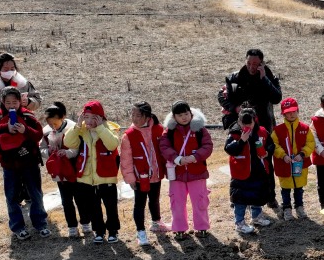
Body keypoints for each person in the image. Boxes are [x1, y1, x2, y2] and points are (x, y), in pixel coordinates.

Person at [219, 48, 283, 207]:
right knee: (239, 160)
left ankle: (269, 196)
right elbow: (221, 96)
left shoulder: (268, 77)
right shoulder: (234, 77)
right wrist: (234, 108)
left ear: (261, 63)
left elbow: (277, 98)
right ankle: (238, 197)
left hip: (263, 126)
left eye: (255, 63)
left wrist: (264, 79)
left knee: (265, 160)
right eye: (249, 63)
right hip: (240, 126)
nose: (251, 66)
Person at [0, 86, 49, 240]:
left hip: (29, 161)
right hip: (9, 164)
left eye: (15, 102)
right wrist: (4, 127)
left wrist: (24, 130)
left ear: (20, 102)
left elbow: (38, 135)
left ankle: (41, 223)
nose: (12, 105)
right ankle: (18, 227)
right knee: (12, 196)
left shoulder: (28, 115)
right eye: (8, 102)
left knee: (35, 194)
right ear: (2, 102)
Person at [63, 101, 121, 244]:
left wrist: (100, 127)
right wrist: (77, 126)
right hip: (87, 177)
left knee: (110, 206)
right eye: (86, 117)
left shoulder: (108, 128)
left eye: (93, 117)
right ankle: (99, 232)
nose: (88, 121)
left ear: (100, 117)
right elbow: (69, 142)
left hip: (106, 176)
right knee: (93, 207)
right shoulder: (81, 130)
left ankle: (113, 231)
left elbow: (112, 144)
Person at [159, 101, 214, 239]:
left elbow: (207, 146)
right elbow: (164, 147)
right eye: (180, 115)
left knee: (200, 201)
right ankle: (179, 228)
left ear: (191, 113)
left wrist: (195, 157)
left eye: (186, 114)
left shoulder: (200, 129)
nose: (184, 117)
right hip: (177, 173)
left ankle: (202, 227)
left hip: (197, 172)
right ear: (174, 117)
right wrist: (176, 159)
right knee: (177, 202)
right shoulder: (169, 132)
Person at [120, 101, 169, 246]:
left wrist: (167, 168)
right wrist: (130, 178)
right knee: (139, 204)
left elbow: (165, 150)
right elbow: (125, 159)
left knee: (154, 199)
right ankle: (140, 232)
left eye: (138, 115)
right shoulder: (129, 135)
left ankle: (156, 222)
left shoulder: (159, 129)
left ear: (147, 116)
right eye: (132, 114)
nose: (134, 118)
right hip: (140, 176)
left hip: (156, 174)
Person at [40, 102, 88, 238]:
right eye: (50, 123)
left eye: (55, 123)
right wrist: (48, 152)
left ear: (63, 117)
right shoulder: (46, 131)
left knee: (80, 198)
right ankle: (72, 226)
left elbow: (78, 148)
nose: (52, 126)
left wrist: (67, 153)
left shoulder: (73, 128)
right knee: (66, 200)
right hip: (60, 171)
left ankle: (85, 222)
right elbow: (41, 148)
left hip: (75, 168)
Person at [224, 107, 274, 235]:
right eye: (243, 123)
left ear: (255, 121)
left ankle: (256, 217)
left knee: (257, 195)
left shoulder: (262, 132)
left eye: (249, 123)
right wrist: (241, 141)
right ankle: (239, 222)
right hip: (241, 172)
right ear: (239, 121)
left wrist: (267, 152)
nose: (246, 126)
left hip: (258, 170)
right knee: (240, 198)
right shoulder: (234, 133)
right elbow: (229, 149)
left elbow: (271, 144)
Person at [272, 97, 315, 220]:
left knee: (299, 188)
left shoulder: (305, 128)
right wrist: (283, 155)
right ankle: (287, 208)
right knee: (285, 189)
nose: (291, 114)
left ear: (298, 111)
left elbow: (310, 143)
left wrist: (302, 154)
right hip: (284, 164)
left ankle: (299, 207)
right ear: (283, 114)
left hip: (299, 163)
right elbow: (274, 144)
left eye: (293, 111)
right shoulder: (278, 130)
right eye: (288, 112)